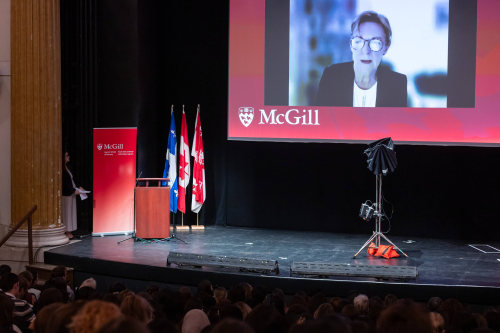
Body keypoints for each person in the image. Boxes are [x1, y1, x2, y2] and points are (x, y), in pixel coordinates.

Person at [316, 11, 407, 107]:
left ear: (386, 47)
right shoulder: (332, 76)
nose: (366, 50)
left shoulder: (397, 83)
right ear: (351, 45)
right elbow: (320, 119)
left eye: (375, 42)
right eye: (358, 41)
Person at [62, 150, 86, 239]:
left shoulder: (68, 166)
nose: (69, 157)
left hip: (72, 193)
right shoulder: (61, 169)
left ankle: (70, 230)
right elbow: (64, 183)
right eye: (67, 155)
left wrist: (79, 187)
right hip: (67, 194)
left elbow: (73, 179)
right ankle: (66, 231)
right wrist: (72, 190)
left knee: (72, 212)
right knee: (67, 212)